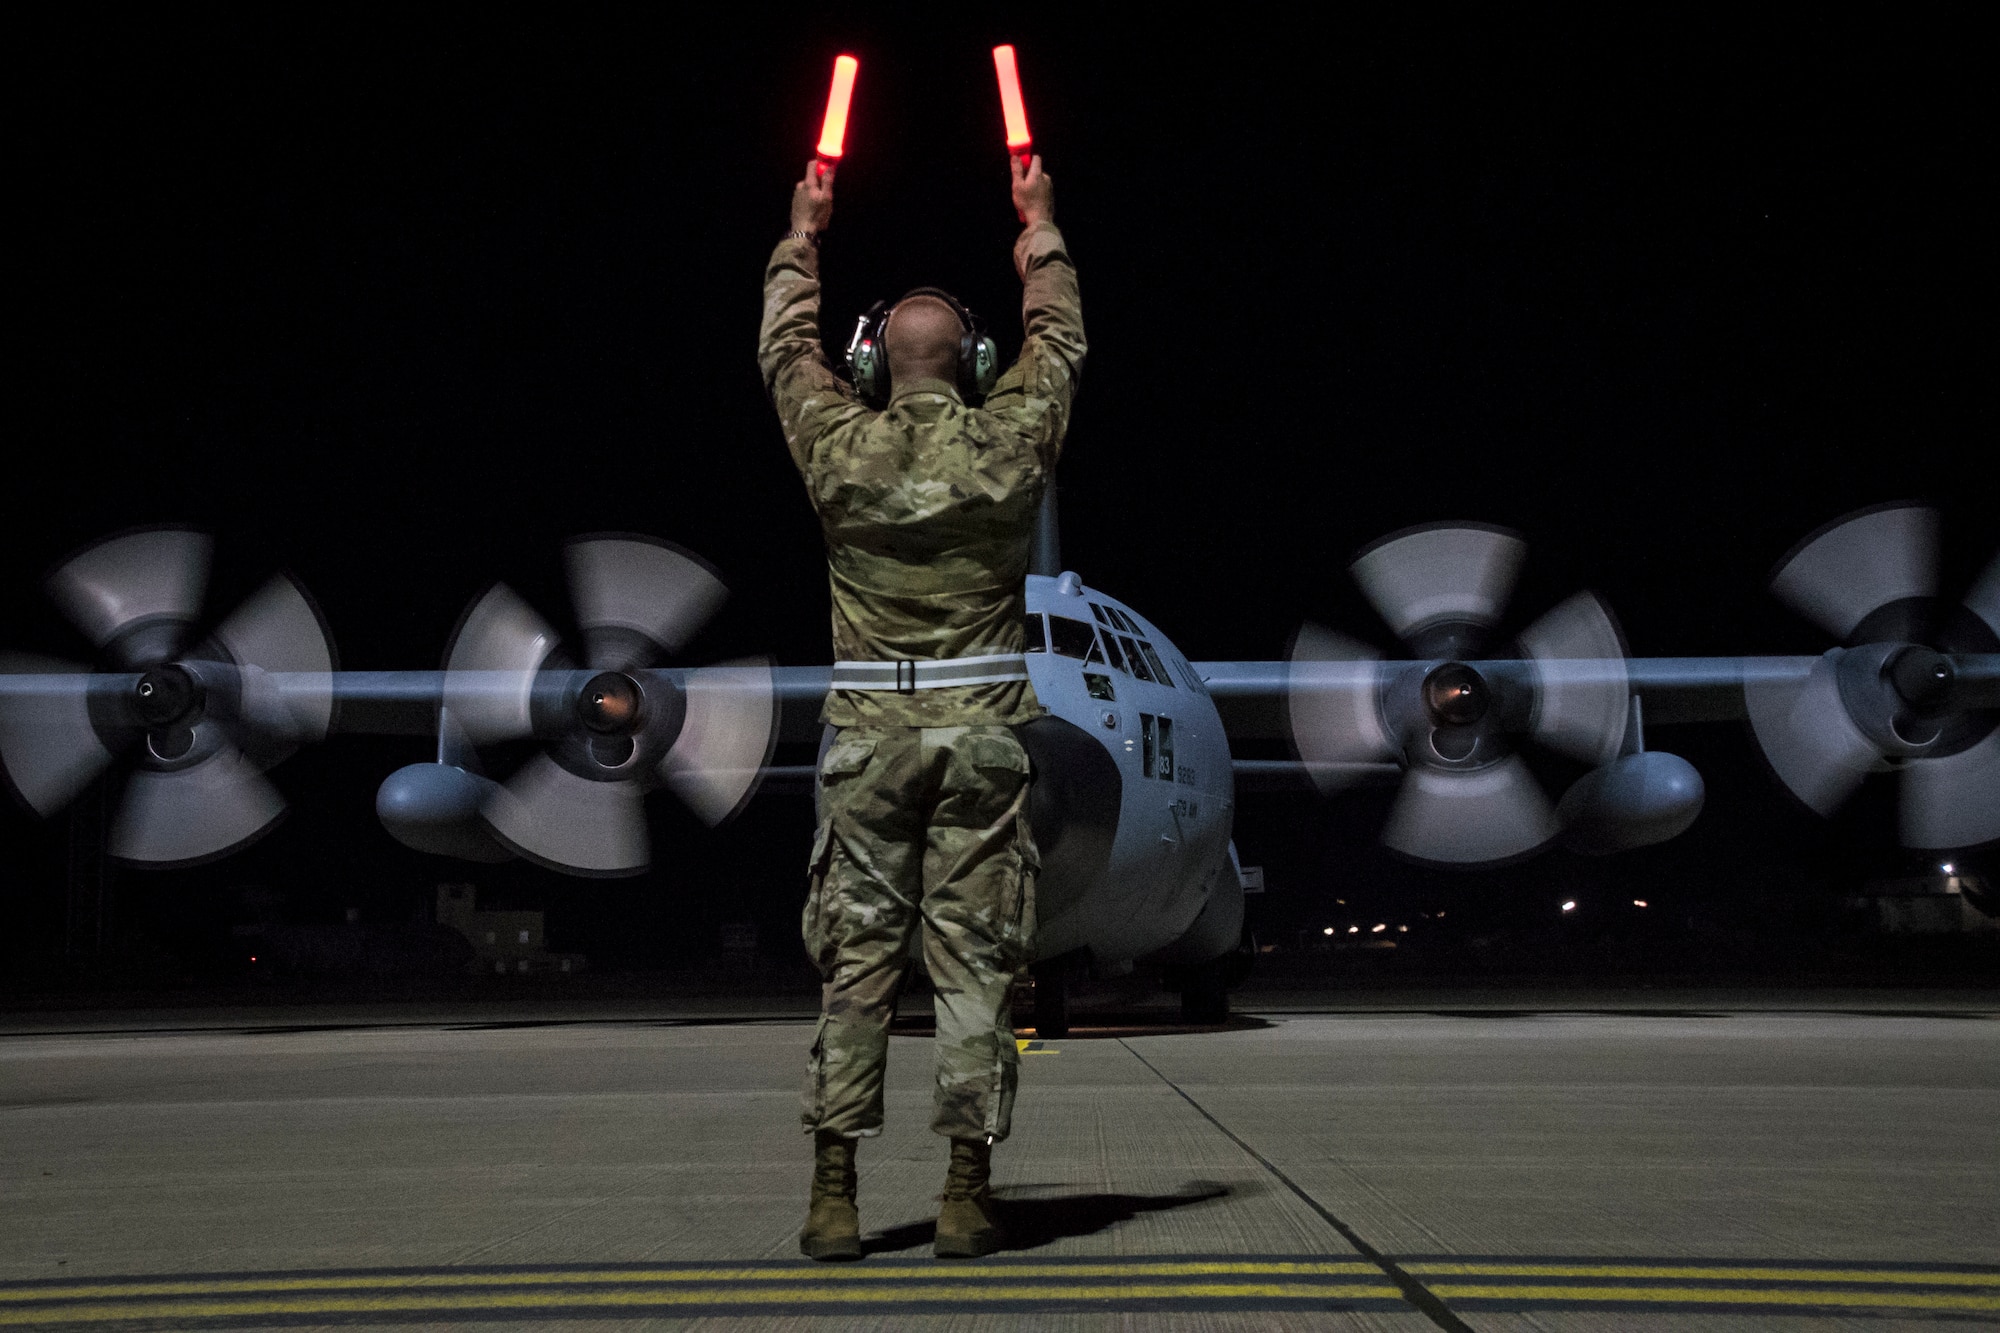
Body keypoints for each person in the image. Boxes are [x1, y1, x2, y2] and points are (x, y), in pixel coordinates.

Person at [757, 151, 1085, 1260]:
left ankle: (834, 1196)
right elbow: (1061, 351)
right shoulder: (1008, 447)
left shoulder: (837, 446)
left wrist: (803, 236)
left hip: (867, 744)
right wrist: (1035, 228)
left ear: (871, 365)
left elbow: (780, 352)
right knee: (973, 964)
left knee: (856, 971)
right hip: (982, 739)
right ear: (975, 362)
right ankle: (960, 1193)